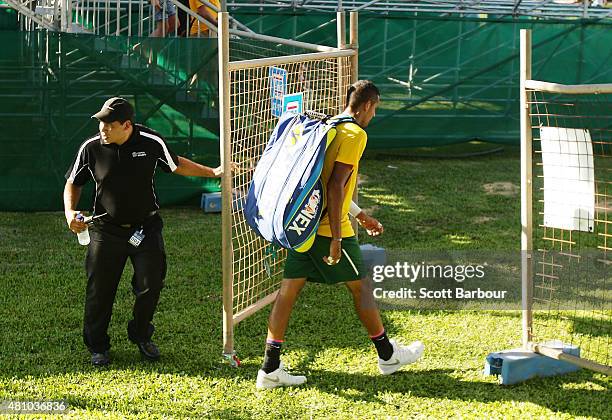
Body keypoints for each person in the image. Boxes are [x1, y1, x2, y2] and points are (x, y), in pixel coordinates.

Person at [256, 81, 425, 389]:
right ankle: (388, 355)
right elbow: (335, 186)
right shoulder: (355, 135)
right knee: (361, 288)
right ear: (368, 106)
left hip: (302, 228)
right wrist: (336, 237)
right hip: (327, 231)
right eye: (375, 109)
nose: (373, 116)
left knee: (287, 293)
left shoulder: (330, 125)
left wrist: (360, 214)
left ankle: (269, 368)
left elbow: (320, 183)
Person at [64, 97, 222, 367]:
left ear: (127, 125)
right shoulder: (91, 148)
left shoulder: (151, 141)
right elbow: (72, 182)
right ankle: (98, 347)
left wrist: (213, 172)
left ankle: (140, 334)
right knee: (99, 291)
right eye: (101, 123)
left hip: (145, 228)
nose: (103, 129)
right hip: (105, 231)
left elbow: (175, 164)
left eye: (109, 124)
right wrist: (70, 213)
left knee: (151, 285)